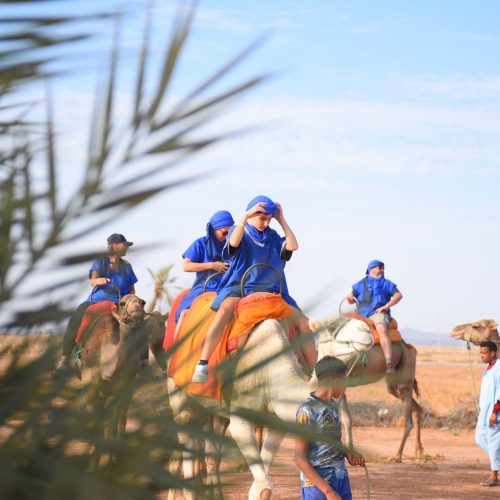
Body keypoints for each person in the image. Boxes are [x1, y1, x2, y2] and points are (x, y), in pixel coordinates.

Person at [191, 195, 316, 383]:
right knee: (225, 310)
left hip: (272, 290)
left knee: (304, 322)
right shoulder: (239, 231)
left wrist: (281, 219)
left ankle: (316, 372)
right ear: (250, 216)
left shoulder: (273, 237)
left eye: (268, 219)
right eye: (261, 218)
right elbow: (233, 243)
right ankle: (203, 362)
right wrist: (245, 216)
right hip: (241, 286)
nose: (265, 223)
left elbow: (293, 245)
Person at [55, 233, 140, 371]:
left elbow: (132, 290)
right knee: (75, 319)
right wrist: (98, 280)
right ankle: (64, 361)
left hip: (119, 303)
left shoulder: (127, 267)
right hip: (96, 300)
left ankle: (144, 362)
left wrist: (128, 301)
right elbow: (92, 281)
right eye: (124, 245)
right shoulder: (101, 262)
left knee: (139, 322)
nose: (126, 248)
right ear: (114, 246)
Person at [295, 356, 365, 500]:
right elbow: (299, 458)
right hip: (318, 488)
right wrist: (328, 492)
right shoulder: (307, 411)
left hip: (340, 479)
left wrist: (347, 452)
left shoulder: (332, 406)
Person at [175, 210, 234, 325]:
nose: (227, 236)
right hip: (204, 288)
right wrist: (212, 265)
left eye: (230, 232)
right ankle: (178, 341)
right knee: (184, 314)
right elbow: (186, 266)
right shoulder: (200, 244)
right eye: (224, 233)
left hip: (228, 288)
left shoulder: (233, 246)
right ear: (213, 230)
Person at [345, 259, 403, 374]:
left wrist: (386, 306)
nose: (382, 270)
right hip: (361, 314)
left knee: (382, 328)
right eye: (379, 267)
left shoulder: (387, 283)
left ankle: (389, 361)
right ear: (371, 269)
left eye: (383, 268)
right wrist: (349, 298)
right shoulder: (360, 284)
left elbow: (398, 295)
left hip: (378, 313)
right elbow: (350, 300)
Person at [476, 340, 500, 487]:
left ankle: (494, 476)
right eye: (480, 353)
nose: (481, 356)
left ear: (493, 353)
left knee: (494, 442)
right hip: (484, 413)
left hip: (494, 414)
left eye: (484, 353)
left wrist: (494, 412)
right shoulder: (489, 368)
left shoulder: (499, 368)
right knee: (480, 438)